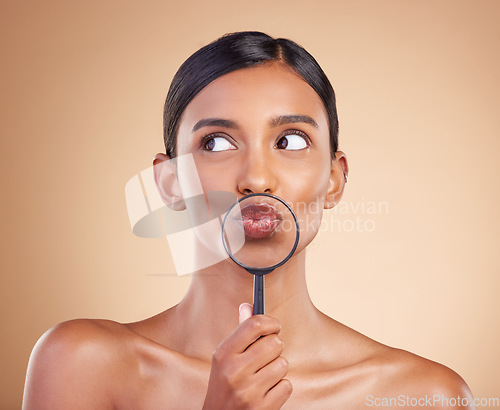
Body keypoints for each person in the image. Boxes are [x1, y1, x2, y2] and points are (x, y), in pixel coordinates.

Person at [23, 31, 474, 409]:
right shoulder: (80, 365)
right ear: (169, 182)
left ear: (335, 180)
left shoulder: (427, 395)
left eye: (291, 140)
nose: (256, 178)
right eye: (217, 143)